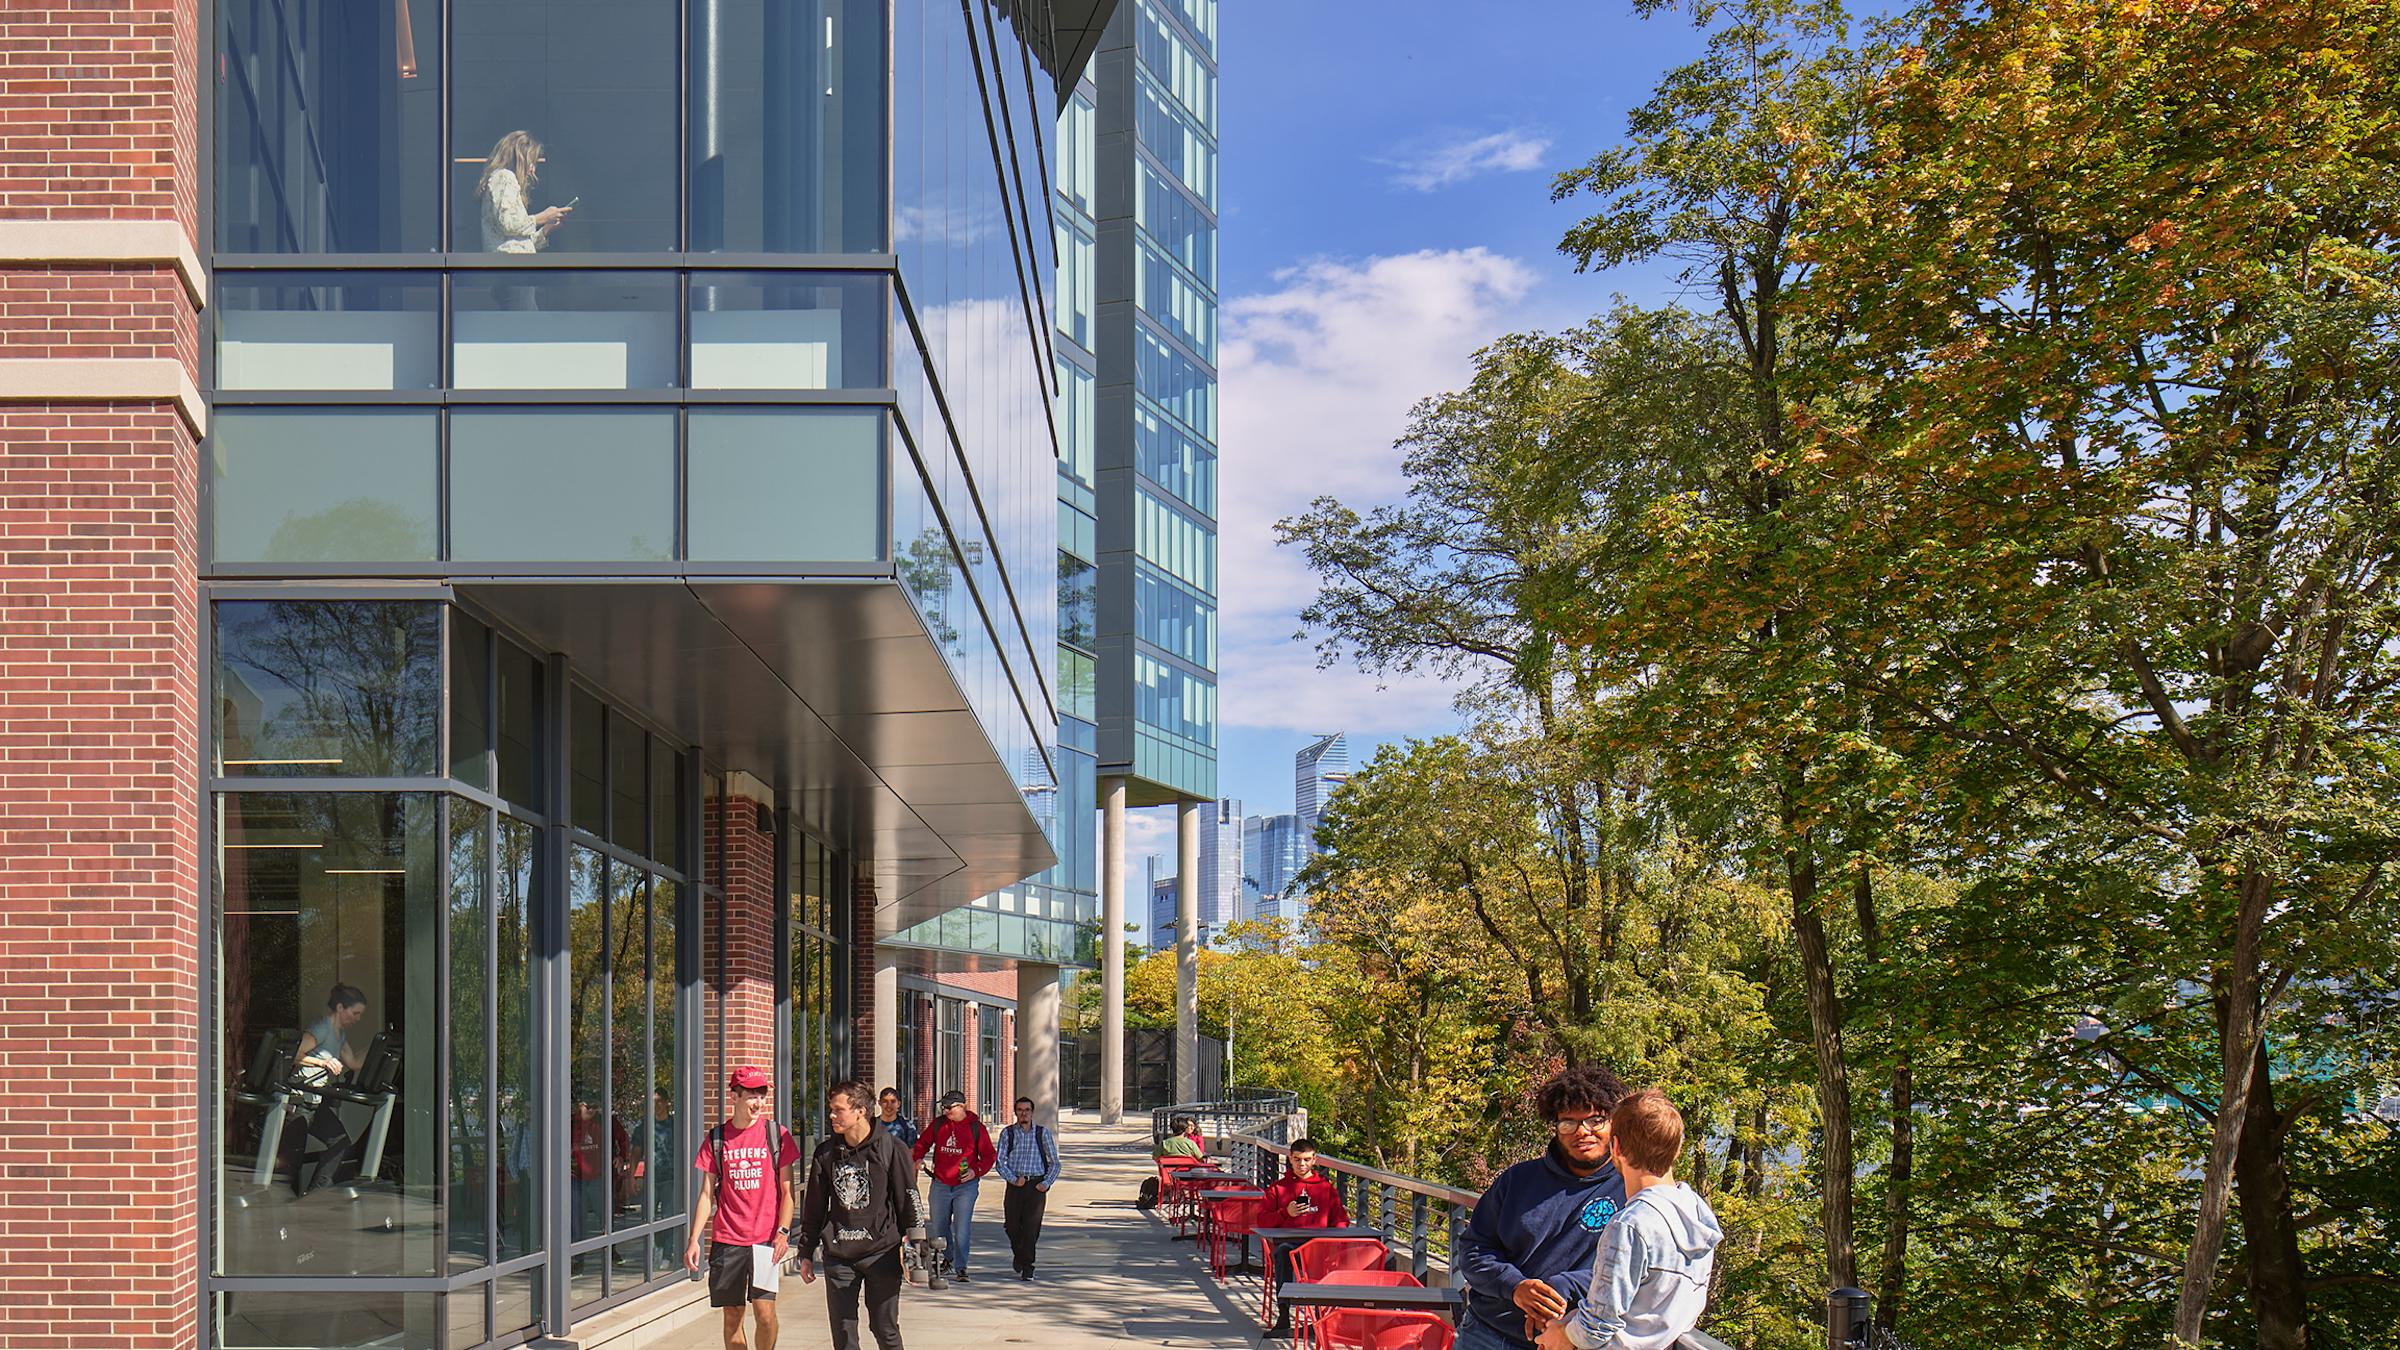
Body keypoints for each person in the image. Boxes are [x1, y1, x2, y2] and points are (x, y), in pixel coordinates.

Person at [1456, 1064, 1632, 1350]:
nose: (1582, 1132)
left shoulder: (1630, 1189)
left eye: (1595, 1120)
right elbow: (1474, 1249)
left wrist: (1560, 1289)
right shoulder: (1517, 1180)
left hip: (1569, 1340)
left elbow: (1632, 1271)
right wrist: (1515, 1287)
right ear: (1556, 1126)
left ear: (1613, 1123)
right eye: (1568, 1123)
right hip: (1486, 1334)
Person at [1536, 1091, 1722, 1350]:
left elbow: (1596, 1326)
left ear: (1616, 1147)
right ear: (1677, 1149)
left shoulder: (1631, 1225)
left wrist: (1560, 1335)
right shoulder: (1697, 1214)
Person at [684, 1066, 801, 1350]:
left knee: (765, 1313)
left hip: (765, 1240)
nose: (758, 1103)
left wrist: (783, 1232)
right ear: (734, 1096)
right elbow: (706, 1194)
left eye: (762, 1095)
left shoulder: (777, 1135)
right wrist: (694, 1239)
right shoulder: (717, 1139)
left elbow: (788, 1193)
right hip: (728, 1241)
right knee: (732, 1315)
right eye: (751, 1096)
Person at [796, 1080, 919, 1350]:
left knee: (885, 1330)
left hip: (881, 1253)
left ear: (861, 1111)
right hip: (839, 1255)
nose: (832, 1115)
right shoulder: (826, 1154)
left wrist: (916, 1252)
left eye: (838, 1110)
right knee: (843, 1334)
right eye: (831, 1109)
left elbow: (909, 1202)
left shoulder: (892, 1148)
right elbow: (814, 1208)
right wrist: (805, 1251)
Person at [910, 1090, 994, 1283]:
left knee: (962, 1227)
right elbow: (922, 1143)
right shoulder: (939, 1124)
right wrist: (918, 1158)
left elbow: (989, 1156)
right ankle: (947, 1259)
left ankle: (961, 1266)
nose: (946, 1111)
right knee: (939, 1225)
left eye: (949, 1107)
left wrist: (975, 1171)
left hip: (965, 1186)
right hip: (940, 1183)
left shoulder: (976, 1128)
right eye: (944, 1107)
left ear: (962, 1106)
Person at [1259, 1137, 1349, 1287]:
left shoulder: (1326, 1188)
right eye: (1297, 1159)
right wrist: (1285, 1213)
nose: (1302, 1164)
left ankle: (1321, 1300)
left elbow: (1341, 1220)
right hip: (1289, 1246)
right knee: (1283, 1251)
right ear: (1290, 1159)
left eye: (1307, 1159)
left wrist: (1334, 1241)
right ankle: (1284, 1301)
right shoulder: (1277, 1188)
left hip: (1319, 1247)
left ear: (1314, 1160)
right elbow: (1262, 1221)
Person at [992, 1097, 1061, 1280]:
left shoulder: (1042, 1133)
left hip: (1036, 1186)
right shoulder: (1008, 1133)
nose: (1024, 1113)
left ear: (1032, 1112)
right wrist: (1013, 1179)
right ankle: (1020, 1254)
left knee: (1031, 1228)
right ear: (1016, 1112)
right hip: (1016, 1184)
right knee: (1011, 1226)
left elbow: (1055, 1162)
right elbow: (1000, 1162)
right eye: (1020, 1110)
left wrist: (1046, 1183)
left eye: (1027, 1110)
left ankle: (1028, 1265)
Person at [478, 130, 570, 256]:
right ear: (519, 158)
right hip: (509, 264)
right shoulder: (504, 176)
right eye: (531, 162)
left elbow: (516, 243)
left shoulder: (502, 179)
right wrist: (543, 217)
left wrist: (545, 230)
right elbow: (508, 224)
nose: (532, 170)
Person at [296, 983, 367, 1080]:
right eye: (355, 1013)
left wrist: (374, 1048)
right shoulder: (322, 1028)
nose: (358, 1018)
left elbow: (353, 1063)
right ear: (340, 1007)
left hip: (320, 1087)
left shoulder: (340, 1033)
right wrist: (322, 1063)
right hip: (303, 1086)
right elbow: (295, 1054)